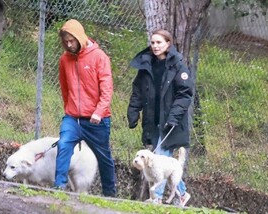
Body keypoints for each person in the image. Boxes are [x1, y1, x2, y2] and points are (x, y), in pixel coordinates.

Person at [127, 29, 193, 206]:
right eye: (153, 42)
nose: (155, 46)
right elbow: (138, 92)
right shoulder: (146, 66)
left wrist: (173, 118)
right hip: (152, 121)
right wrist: (133, 112)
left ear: (168, 44)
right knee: (163, 162)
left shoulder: (178, 66)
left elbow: (185, 94)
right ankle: (182, 194)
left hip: (170, 123)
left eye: (159, 42)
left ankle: (155, 198)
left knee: (157, 161)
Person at [54, 19, 116, 197]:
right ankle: (59, 188)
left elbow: (107, 89)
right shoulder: (64, 60)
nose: (68, 44)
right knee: (63, 144)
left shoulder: (99, 57)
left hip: (97, 119)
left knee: (104, 157)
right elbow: (64, 88)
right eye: (65, 41)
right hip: (73, 118)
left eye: (71, 40)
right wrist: (69, 109)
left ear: (80, 37)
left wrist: (98, 111)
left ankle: (110, 195)